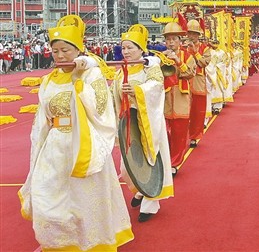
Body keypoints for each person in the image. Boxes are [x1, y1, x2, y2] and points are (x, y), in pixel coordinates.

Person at [18, 15, 133, 250]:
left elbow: (101, 107)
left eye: (65, 50)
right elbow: (43, 116)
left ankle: (91, 240)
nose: (60, 56)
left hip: (83, 142)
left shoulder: (92, 73)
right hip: (55, 145)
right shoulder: (49, 79)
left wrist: (80, 80)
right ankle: (58, 241)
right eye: (56, 51)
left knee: (83, 197)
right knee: (51, 194)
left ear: (78, 49)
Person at [112, 24, 173, 223]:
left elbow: (157, 87)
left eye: (130, 47)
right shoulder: (121, 72)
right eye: (124, 48)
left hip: (147, 122)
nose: (126, 51)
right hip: (128, 124)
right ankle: (141, 190)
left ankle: (151, 202)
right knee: (127, 166)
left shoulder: (151, 67)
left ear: (141, 48)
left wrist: (138, 90)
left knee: (149, 159)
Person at [162, 18, 196, 176]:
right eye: (168, 39)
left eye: (174, 39)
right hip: (164, 98)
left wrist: (178, 62)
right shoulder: (160, 57)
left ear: (179, 40)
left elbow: (190, 73)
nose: (170, 43)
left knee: (179, 131)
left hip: (181, 97)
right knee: (164, 131)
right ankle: (165, 160)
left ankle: (175, 163)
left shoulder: (187, 55)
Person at [187, 19, 211, 148]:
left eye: (194, 34)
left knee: (197, 110)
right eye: (190, 33)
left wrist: (195, 52)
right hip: (184, 82)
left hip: (198, 81)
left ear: (198, 35)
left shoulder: (205, 49)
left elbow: (204, 63)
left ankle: (194, 136)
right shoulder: (182, 46)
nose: (191, 36)